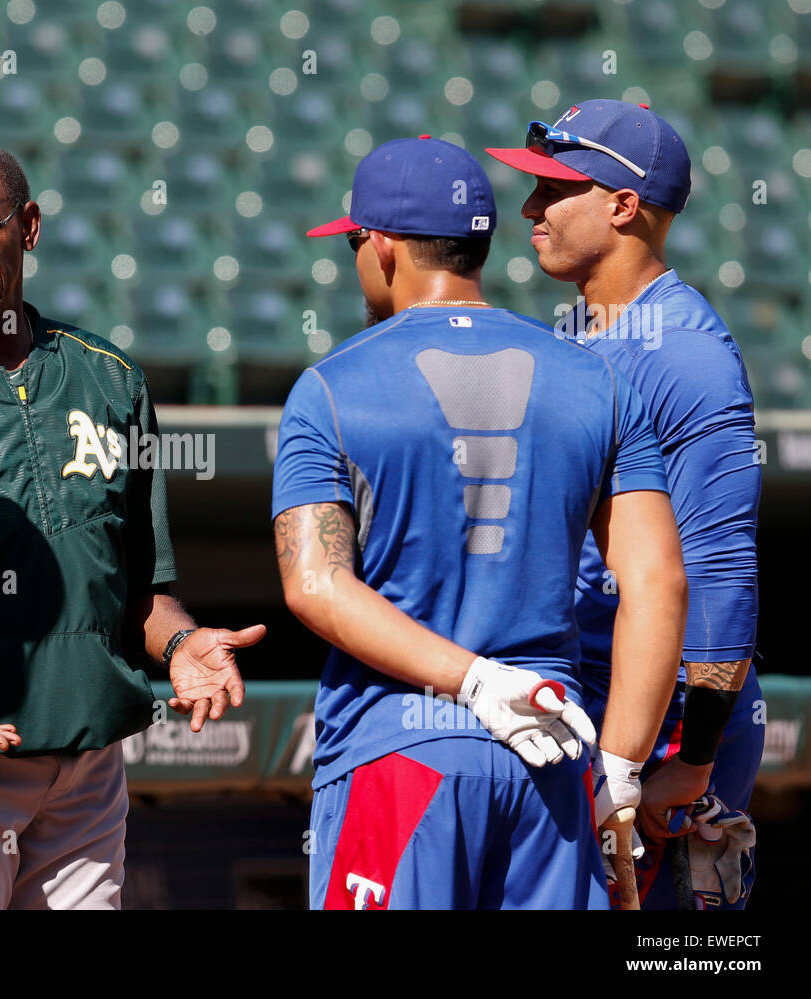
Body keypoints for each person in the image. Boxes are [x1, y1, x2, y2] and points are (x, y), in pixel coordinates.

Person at [0, 141, 265, 910]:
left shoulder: (112, 379)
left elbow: (140, 591)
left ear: (28, 226)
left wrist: (179, 642)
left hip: (89, 775)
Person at [272, 135, 689, 909]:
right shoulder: (595, 378)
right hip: (554, 757)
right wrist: (623, 772)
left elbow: (315, 585)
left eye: (356, 243)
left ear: (384, 246)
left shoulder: (331, 385)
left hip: (400, 753)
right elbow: (660, 581)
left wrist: (472, 680)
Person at [487, 100, 763, 909]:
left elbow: (719, 568)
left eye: (554, 191)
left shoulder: (686, 356)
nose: (532, 210)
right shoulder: (578, 334)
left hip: (669, 727)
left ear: (622, 205)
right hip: (597, 705)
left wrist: (696, 762)